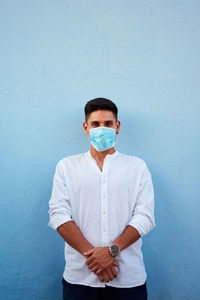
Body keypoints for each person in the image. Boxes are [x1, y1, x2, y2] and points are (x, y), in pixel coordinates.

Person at [48, 97, 155, 300]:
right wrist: (97, 258)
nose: (102, 128)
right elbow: (58, 214)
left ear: (117, 126)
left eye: (108, 123)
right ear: (86, 128)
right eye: (95, 124)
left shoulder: (137, 167)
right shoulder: (67, 167)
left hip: (128, 278)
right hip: (80, 278)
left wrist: (112, 251)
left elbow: (145, 216)